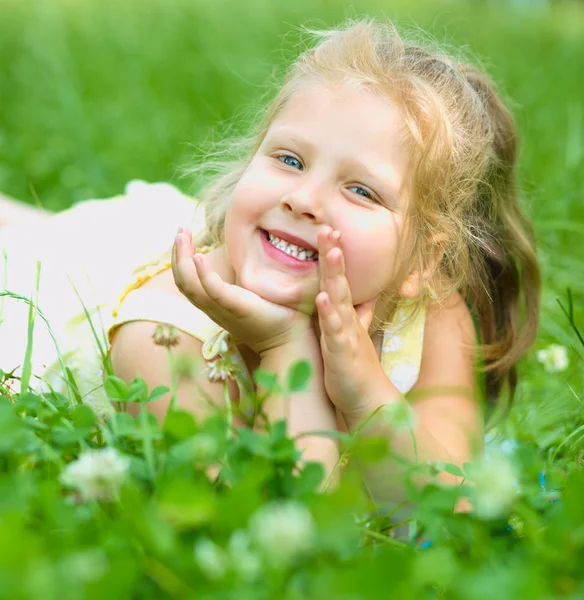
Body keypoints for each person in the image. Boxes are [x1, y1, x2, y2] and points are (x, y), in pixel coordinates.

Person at [0, 19, 540, 507]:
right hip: (65, 280)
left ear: (423, 258)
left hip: (163, 242)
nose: (303, 198)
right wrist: (286, 344)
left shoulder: (433, 310)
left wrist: (366, 393)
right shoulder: (165, 337)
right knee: (34, 240)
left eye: (360, 190)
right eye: (289, 159)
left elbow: (454, 509)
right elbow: (276, 525)